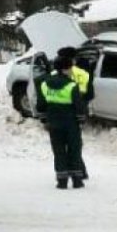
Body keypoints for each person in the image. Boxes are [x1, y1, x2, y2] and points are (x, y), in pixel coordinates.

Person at [37, 56, 86, 189]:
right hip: (71, 124)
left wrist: (44, 119)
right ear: (66, 68)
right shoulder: (72, 86)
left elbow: (41, 105)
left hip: (54, 123)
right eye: (71, 67)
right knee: (74, 150)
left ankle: (62, 181)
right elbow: (79, 107)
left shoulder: (45, 84)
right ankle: (77, 180)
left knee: (58, 151)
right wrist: (82, 120)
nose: (72, 70)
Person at [56, 47, 93, 180]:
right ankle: (79, 170)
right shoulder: (85, 69)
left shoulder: (75, 71)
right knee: (75, 142)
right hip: (78, 109)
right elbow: (90, 93)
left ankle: (78, 171)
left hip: (72, 110)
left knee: (72, 143)